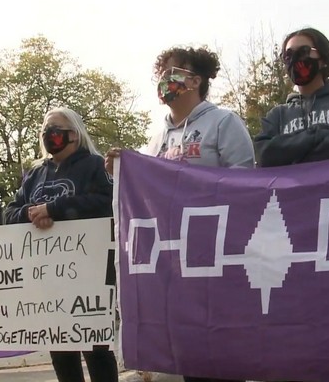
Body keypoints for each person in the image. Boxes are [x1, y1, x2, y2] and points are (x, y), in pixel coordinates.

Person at [106, 45, 254, 382]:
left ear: (195, 79)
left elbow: (246, 185)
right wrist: (124, 172)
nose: (164, 81)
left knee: (221, 356)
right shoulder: (156, 139)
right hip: (173, 267)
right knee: (187, 356)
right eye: (161, 75)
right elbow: (147, 195)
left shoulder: (224, 123)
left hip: (215, 260)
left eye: (173, 73)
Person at [4, 107, 119, 382]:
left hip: (89, 274)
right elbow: (9, 213)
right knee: (61, 352)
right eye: (46, 130)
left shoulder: (95, 165)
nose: (50, 136)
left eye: (57, 130)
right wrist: (32, 213)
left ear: (75, 135)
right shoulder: (35, 175)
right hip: (48, 279)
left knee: (96, 349)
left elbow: (109, 202)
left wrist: (56, 208)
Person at [254, 27, 329, 166]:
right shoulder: (277, 115)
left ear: (323, 59)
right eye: (288, 55)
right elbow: (264, 155)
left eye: (303, 51)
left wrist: (289, 152)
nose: (295, 60)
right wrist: (318, 135)